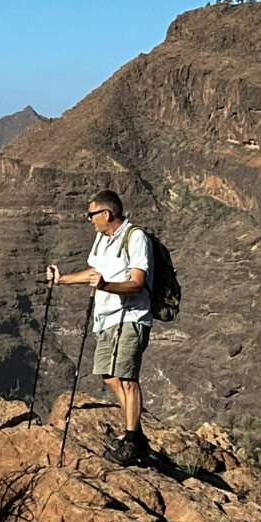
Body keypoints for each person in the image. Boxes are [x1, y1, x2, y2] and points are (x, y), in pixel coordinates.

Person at [45, 189, 153, 463]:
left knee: (128, 379)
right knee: (109, 375)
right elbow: (94, 273)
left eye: (91, 214)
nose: (89, 219)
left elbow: (137, 281)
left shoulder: (135, 237)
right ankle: (137, 435)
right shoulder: (101, 240)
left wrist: (107, 287)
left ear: (106, 214)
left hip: (129, 316)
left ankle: (131, 441)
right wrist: (63, 280)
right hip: (106, 319)